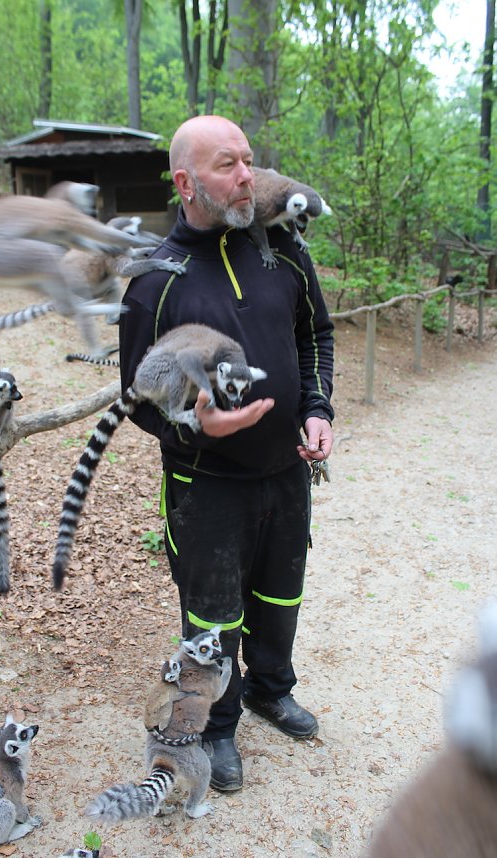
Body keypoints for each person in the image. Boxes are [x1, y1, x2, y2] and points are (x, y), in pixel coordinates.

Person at [119, 115, 334, 792]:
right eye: (226, 165)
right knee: (211, 617)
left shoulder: (282, 250)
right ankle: (215, 725)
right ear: (185, 183)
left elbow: (314, 336)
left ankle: (271, 688)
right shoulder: (156, 281)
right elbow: (139, 401)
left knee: (280, 596)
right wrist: (194, 430)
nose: (247, 176)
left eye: (248, 160)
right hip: (205, 485)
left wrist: (318, 410)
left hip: (286, 473)